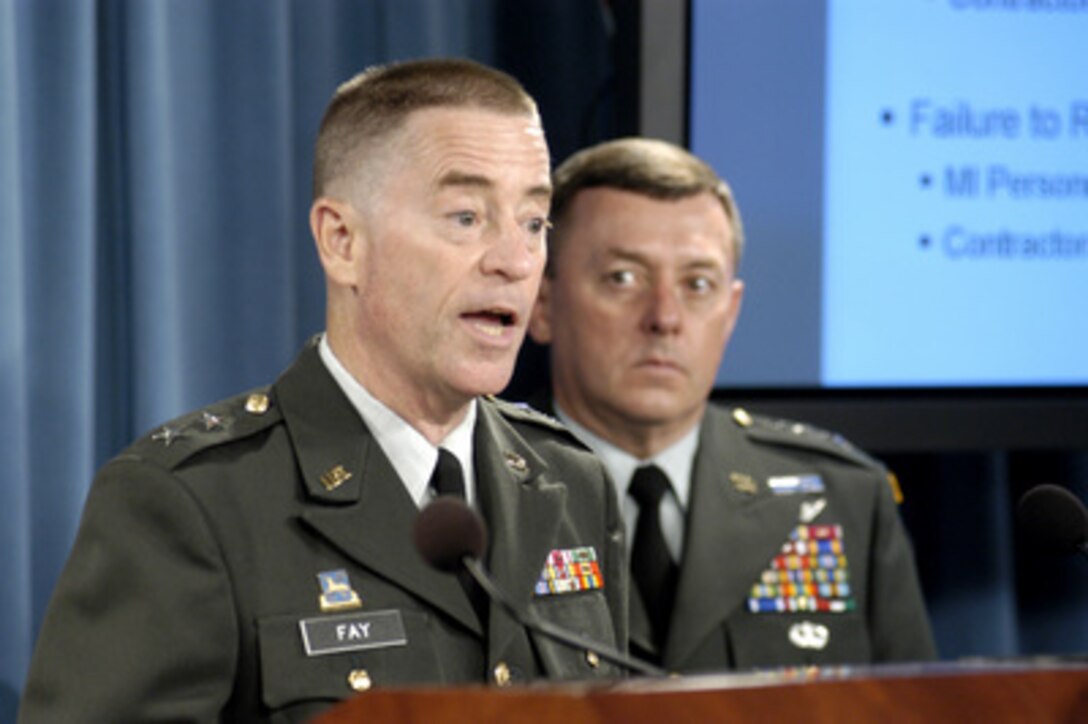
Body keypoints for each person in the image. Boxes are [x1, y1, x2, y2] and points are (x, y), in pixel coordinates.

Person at [19, 59, 627, 722]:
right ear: (342, 242)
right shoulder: (191, 502)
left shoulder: (571, 482)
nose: (513, 260)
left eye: (535, 222)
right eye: (465, 216)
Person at [527, 137, 936, 672]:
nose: (665, 317)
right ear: (541, 302)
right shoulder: (471, 498)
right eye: (622, 278)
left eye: (697, 284)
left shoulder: (845, 498)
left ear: (731, 312)